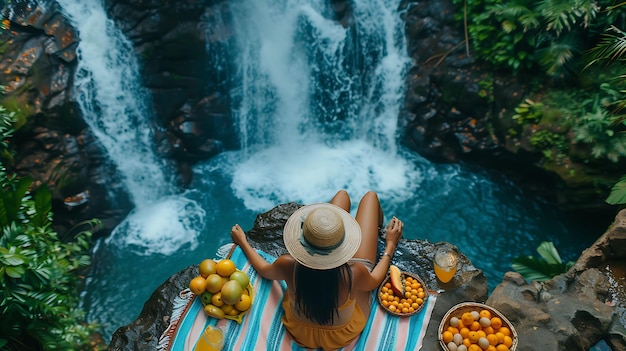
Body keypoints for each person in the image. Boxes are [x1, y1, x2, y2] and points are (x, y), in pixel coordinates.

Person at [230, 190, 404, 350]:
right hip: (340, 336)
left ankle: (325, 235)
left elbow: (264, 270)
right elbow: (374, 280)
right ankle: (377, 230)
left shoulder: (287, 264)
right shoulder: (353, 273)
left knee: (341, 196)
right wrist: (390, 244)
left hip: (302, 332)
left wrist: (243, 242)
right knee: (370, 198)